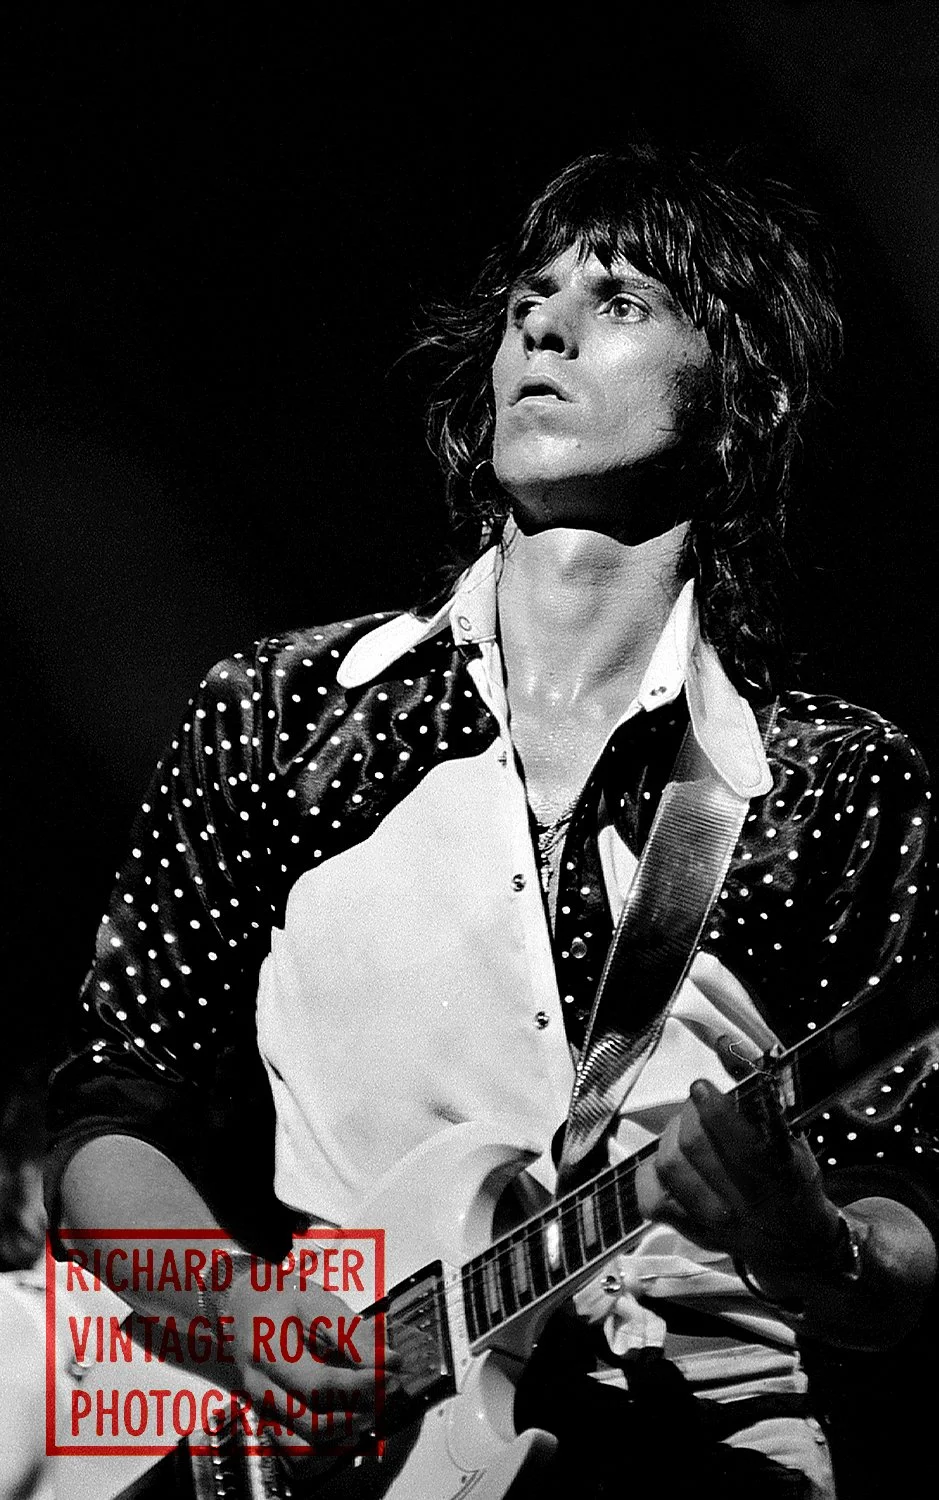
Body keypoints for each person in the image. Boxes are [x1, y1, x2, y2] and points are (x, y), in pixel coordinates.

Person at [46, 145, 938, 1499]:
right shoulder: (282, 713)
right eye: (532, 294)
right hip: (344, 1446)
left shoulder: (826, 781)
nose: (546, 322)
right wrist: (236, 1315)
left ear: (735, 395)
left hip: (688, 1447)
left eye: (622, 298)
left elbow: (899, 1229)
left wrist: (808, 1239)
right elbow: (113, 1131)